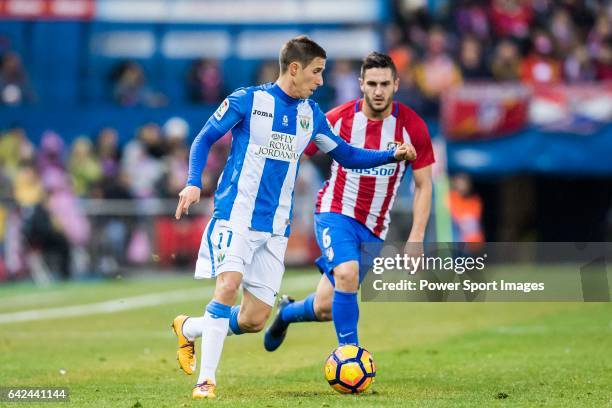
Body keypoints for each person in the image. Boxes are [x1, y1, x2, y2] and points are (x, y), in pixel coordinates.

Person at [170, 36, 417, 400]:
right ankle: (206, 381)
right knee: (227, 285)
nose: (320, 81)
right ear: (295, 68)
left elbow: (346, 155)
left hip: (274, 228)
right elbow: (203, 139)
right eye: (317, 72)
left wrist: (390, 156)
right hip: (234, 215)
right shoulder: (248, 100)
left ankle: (189, 328)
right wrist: (192, 183)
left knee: (254, 320)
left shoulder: (311, 115)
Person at [263, 52, 434, 352]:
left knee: (325, 307)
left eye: (384, 84)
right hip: (335, 211)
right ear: (361, 85)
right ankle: (349, 356)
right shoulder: (338, 119)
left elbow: (423, 184)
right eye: (371, 84)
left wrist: (416, 236)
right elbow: (296, 155)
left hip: (373, 230)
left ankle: (287, 312)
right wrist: (280, 204)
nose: (378, 91)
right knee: (347, 272)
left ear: (396, 84)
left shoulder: (413, 127)